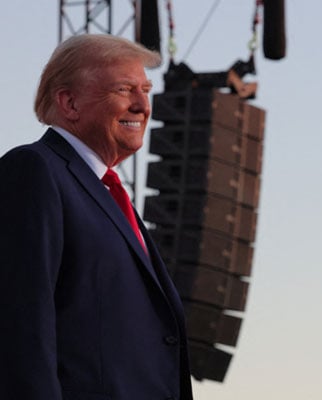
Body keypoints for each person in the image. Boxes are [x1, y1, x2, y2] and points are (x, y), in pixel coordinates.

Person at [0, 34, 193, 399]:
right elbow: (19, 328)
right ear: (69, 102)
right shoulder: (34, 171)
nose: (142, 105)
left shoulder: (109, 193)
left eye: (145, 90)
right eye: (124, 90)